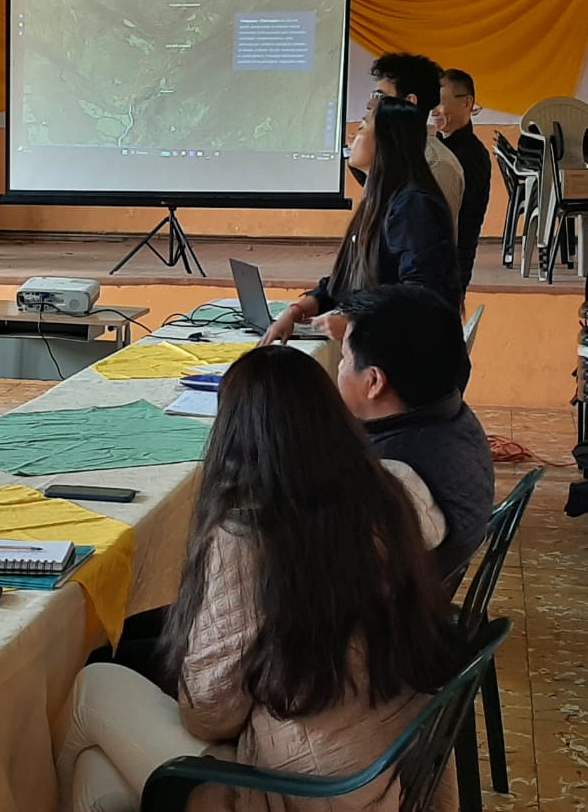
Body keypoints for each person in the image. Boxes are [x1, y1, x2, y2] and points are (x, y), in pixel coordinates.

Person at [56, 346, 459, 812]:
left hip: (298, 793)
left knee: (92, 687)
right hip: (380, 773)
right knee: (95, 771)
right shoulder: (389, 496)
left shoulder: (247, 536)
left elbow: (208, 713)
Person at [263, 97, 460, 345]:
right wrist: (296, 311)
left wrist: (355, 322)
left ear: (387, 141)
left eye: (363, 127)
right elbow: (345, 281)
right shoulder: (378, 200)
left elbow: (421, 294)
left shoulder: (413, 205)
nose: (353, 135)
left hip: (410, 355)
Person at [335, 284, 494, 590]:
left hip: (398, 609)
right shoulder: (452, 413)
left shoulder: (393, 477)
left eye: (343, 359)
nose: (339, 369)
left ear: (374, 382)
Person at [352, 52, 464, 230]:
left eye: (380, 97)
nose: (370, 105)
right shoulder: (391, 156)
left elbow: (426, 238)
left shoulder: (437, 164)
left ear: (410, 102)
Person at [433, 69, 492, 296]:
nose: (434, 111)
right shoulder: (437, 146)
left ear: (466, 102)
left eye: (440, 102)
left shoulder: (472, 155)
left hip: (450, 267)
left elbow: (450, 211)